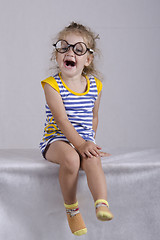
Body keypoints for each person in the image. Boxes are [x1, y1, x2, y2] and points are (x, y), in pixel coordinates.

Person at [39, 22, 113, 236]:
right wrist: (79, 145)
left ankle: (101, 203)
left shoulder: (95, 85)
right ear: (57, 55)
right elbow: (61, 120)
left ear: (87, 59)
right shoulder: (52, 85)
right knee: (71, 159)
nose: (69, 52)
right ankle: (72, 209)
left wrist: (90, 143)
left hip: (81, 140)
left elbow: (94, 116)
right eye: (64, 47)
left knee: (93, 160)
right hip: (56, 140)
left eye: (78, 49)